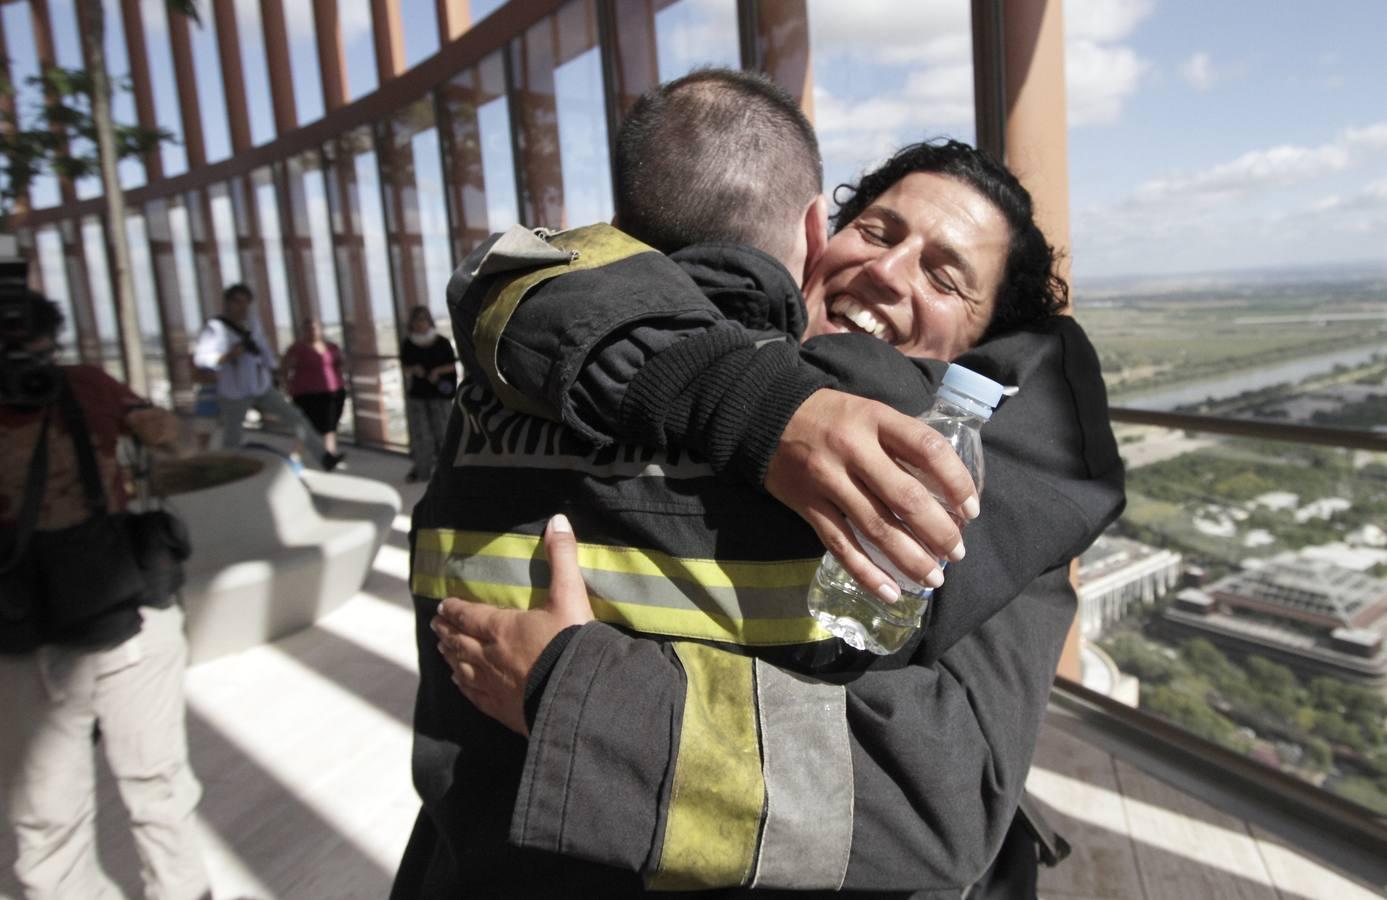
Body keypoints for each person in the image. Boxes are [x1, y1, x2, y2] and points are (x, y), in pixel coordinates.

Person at [396, 71, 1123, 898]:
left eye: (946, 278)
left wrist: (576, 690)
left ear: (987, 352)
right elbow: (543, 287)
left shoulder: (987, 498)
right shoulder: (589, 366)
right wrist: (749, 403)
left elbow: (940, 795)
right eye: (878, 231)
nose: (889, 274)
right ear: (817, 236)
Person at [0, 290, 211, 900]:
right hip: (58, 620)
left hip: (108, 614)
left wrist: (140, 421)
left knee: (138, 788)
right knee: (51, 809)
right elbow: (175, 441)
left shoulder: (83, 387)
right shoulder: (83, 385)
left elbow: (170, 440)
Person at [192, 283, 342, 471]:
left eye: (245, 303)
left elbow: (262, 348)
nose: (242, 307)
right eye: (237, 302)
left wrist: (273, 370)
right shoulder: (216, 328)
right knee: (233, 434)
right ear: (228, 304)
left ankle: (324, 457)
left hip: (260, 385)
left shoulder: (252, 324)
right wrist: (229, 355)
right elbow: (202, 358)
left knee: (296, 419)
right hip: (235, 391)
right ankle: (227, 468)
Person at [399, 305, 458, 483]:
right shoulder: (408, 344)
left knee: (444, 433)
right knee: (421, 434)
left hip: (440, 396)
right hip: (418, 395)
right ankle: (422, 468)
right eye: (417, 320)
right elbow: (405, 367)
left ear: (429, 321)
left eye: (423, 319)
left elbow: (451, 365)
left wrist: (437, 371)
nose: (420, 323)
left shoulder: (441, 342)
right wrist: (413, 370)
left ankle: (447, 470)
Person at [282, 316, 347, 457]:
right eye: (308, 329)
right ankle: (296, 456)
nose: (312, 332)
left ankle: (329, 454)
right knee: (305, 426)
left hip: (332, 391)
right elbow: (285, 367)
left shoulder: (331, 347)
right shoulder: (297, 349)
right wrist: (286, 384)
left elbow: (340, 364)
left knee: (329, 425)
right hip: (306, 393)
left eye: (314, 328)